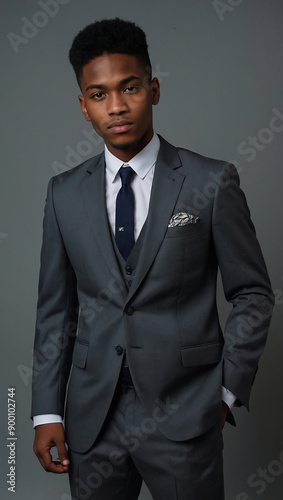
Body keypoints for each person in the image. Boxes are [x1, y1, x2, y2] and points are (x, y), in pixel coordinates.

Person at [31, 18, 274, 500]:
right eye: (98, 95)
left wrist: (224, 393)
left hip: (185, 413)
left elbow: (253, 294)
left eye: (130, 88)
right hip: (91, 419)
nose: (116, 107)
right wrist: (45, 412)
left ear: (154, 89)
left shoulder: (211, 181)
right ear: (83, 106)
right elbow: (55, 312)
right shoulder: (62, 194)